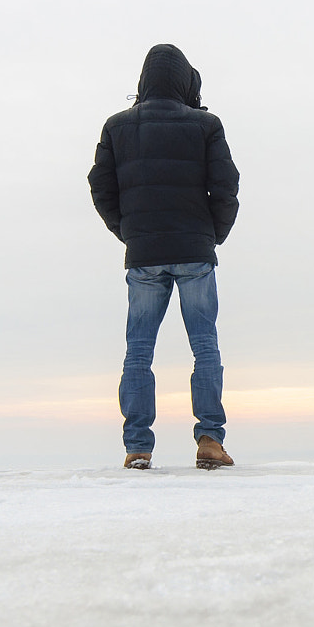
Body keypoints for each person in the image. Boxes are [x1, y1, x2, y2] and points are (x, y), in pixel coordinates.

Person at [88, 44, 241, 470]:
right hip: (194, 251)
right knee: (205, 347)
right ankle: (210, 440)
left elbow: (100, 186)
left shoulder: (117, 126)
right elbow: (226, 186)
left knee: (138, 351)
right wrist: (213, 236)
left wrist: (129, 233)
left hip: (144, 254)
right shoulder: (205, 124)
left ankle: (137, 447)